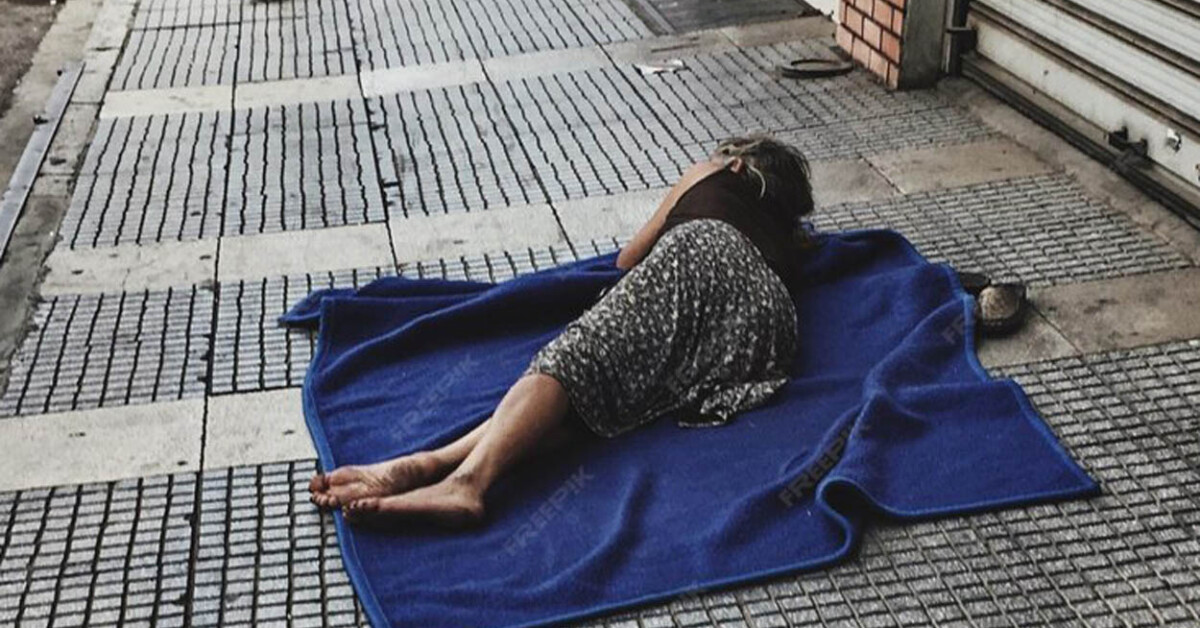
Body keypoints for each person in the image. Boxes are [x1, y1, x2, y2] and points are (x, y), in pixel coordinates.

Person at [308, 135, 816, 528]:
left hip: (702, 256)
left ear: (739, 164)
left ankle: (468, 482)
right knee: (603, 396)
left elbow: (627, 259)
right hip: (766, 328)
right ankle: (429, 464)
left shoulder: (716, 173)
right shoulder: (788, 239)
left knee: (575, 359)